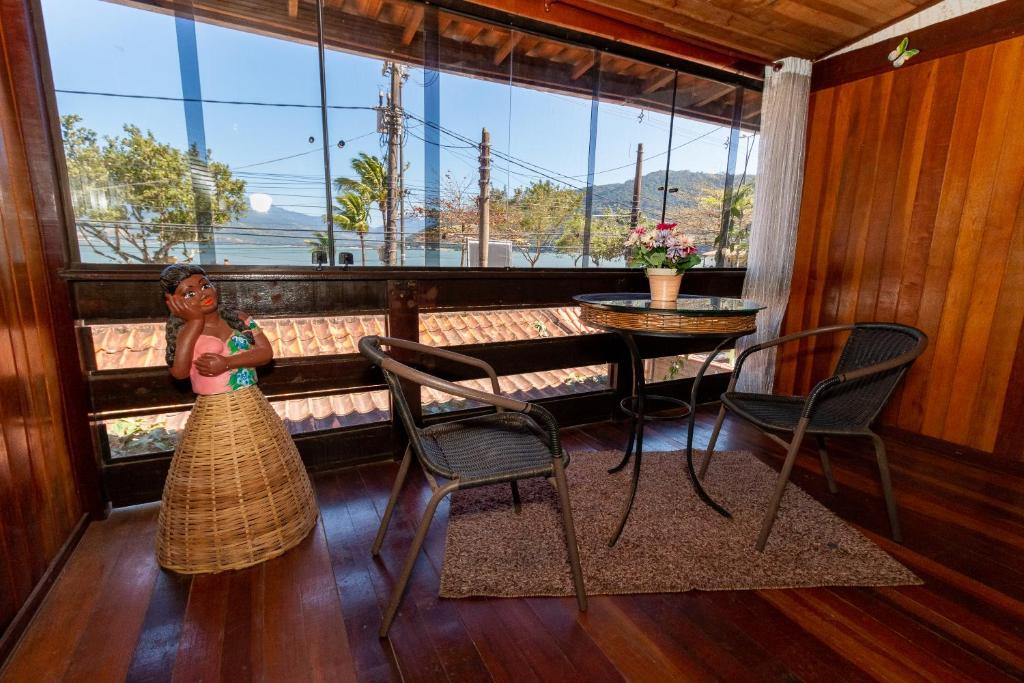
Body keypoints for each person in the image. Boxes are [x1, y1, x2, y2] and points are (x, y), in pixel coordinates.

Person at [156, 264, 318, 573]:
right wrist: (191, 324)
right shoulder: (184, 330)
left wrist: (227, 362)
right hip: (213, 412)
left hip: (249, 404)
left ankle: (277, 527)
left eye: (205, 285)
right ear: (172, 302)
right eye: (188, 293)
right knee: (217, 479)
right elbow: (178, 371)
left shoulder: (240, 320)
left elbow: (264, 353)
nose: (202, 294)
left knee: (266, 471)